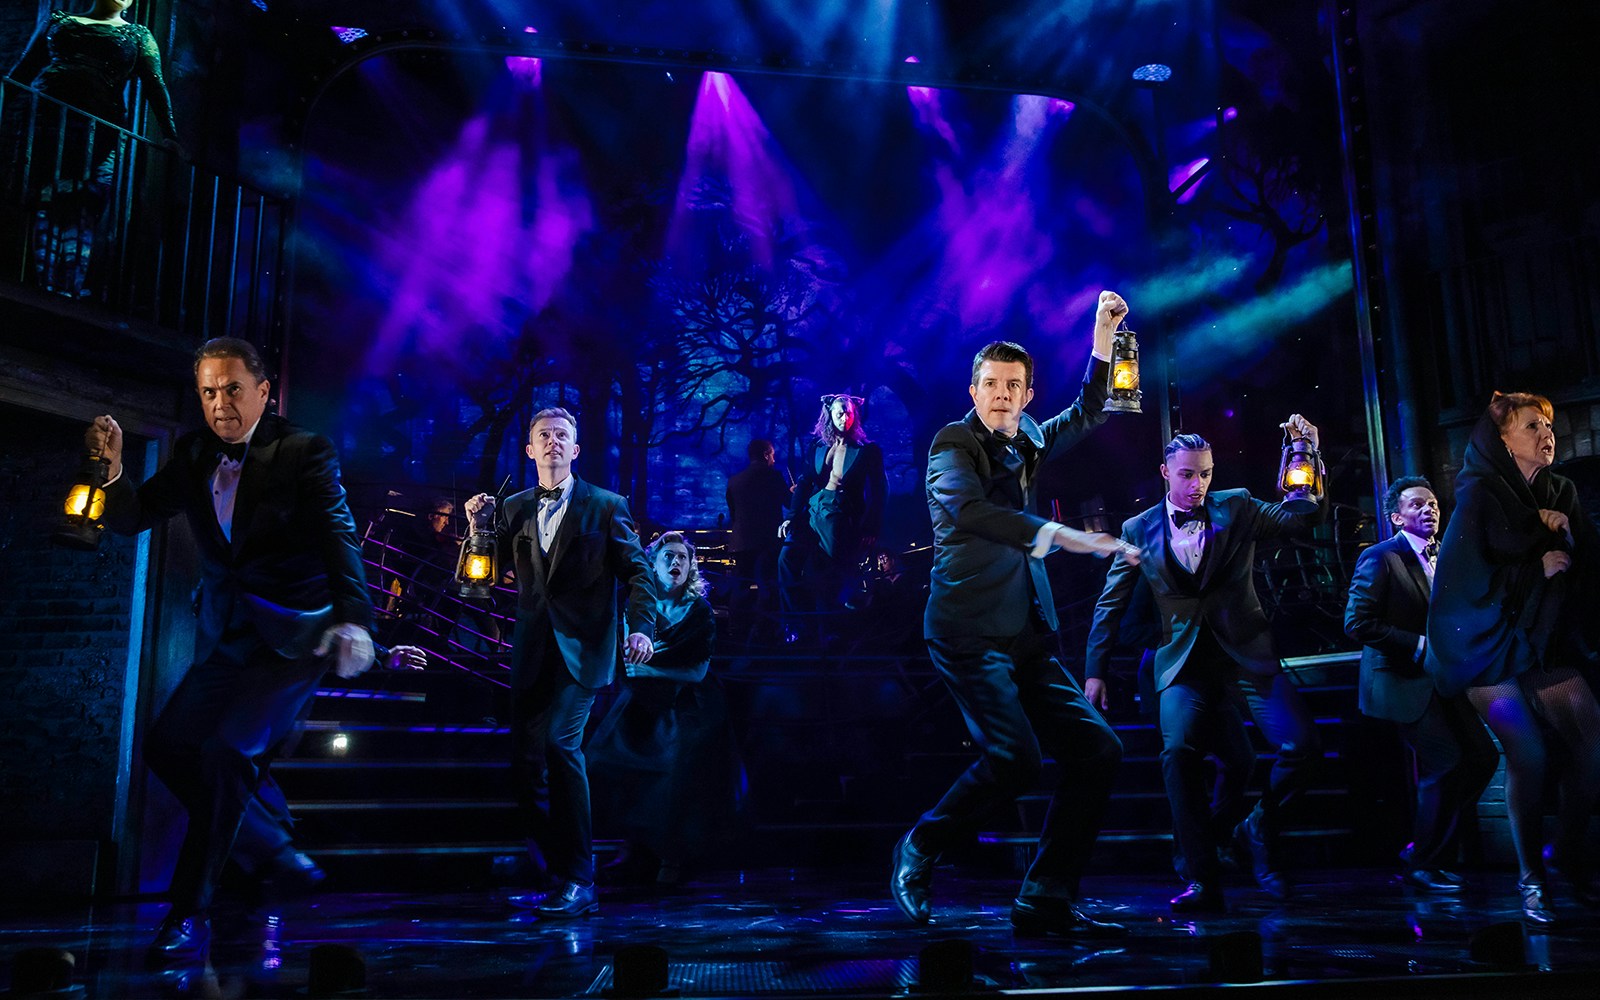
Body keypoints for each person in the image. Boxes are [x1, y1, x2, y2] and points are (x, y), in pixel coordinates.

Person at [86, 338, 374, 969]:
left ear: (263, 392)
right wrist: (111, 474)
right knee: (167, 747)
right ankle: (270, 845)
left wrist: (357, 621)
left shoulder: (303, 451)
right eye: (209, 392)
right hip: (229, 636)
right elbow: (134, 516)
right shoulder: (192, 455)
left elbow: (338, 536)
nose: (220, 404)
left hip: (299, 636)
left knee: (225, 756)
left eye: (233, 389)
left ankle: (188, 911)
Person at [890, 290, 1137, 937]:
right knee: (1015, 757)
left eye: (1014, 386)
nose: (1002, 395)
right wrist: (1065, 536)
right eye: (991, 385)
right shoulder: (951, 445)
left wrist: (1102, 339)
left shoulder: (1026, 436)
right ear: (974, 391)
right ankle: (920, 846)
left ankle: (1046, 896)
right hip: (967, 630)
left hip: (1026, 632)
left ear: (1027, 396)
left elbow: (1086, 412)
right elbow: (972, 513)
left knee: (1097, 751)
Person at [1084, 420, 1326, 912]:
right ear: (1165, 474)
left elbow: (1301, 521)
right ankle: (1201, 878)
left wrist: (1304, 451)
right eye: (1188, 475)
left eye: (1206, 475)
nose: (1198, 485)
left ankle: (1253, 829)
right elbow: (1111, 602)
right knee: (1178, 755)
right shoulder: (1138, 529)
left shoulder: (1236, 505)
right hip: (1183, 664)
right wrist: (1095, 670)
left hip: (1246, 655)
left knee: (1302, 746)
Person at [463, 407, 656, 919]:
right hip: (533, 652)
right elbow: (478, 580)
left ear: (575, 449)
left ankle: (580, 877)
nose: (552, 442)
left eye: (562, 436)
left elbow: (638, 574)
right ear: (528, 451)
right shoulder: (516, 507)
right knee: (525, 763)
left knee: (559, 745)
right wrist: (478, 528)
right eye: (543, 435)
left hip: (586, 651)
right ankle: (556, 872)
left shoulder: (607, 506)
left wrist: (640, 627)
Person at [1426, 392, 1600, 925]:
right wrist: (1535, 564)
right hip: (1480, 643)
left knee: (1591, 737)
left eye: (1548, 423)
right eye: (1532, 425)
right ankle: (1531, 881)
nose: (1546, 432)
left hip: (1537, 639)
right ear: (1503, 438)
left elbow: (1587, 559)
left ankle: (1566, 855)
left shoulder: (1560, 490)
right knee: (1528, 752)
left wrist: (1563, 542)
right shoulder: (1479, 493)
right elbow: (1464, 581)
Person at [1344, 476, 1496, 893]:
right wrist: (1418, 644)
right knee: (1445, 762)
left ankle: (1427, 846)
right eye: (1416, 505)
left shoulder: (1445, 556)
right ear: (1396, 517)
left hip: (1444, 680)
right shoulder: (1380, 557)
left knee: (1483, 758)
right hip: (1401, 681)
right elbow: (1357, 623)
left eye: (1432, 503)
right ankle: (1426, 863)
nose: (1429, 509)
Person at [589, 532, 742, 885]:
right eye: (668, 557)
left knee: (677, 767)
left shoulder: (699, 611)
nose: (676, 563)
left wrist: (649, 668)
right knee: (604, 758)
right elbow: (628, 659)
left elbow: (696, 670)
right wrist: (642, 670)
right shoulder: (638, 603)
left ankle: (671, 857)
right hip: (642, 699)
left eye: (682, 558)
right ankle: (632, 846)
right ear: (653, 564)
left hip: (689, 704)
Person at [7, 2, 179, 296]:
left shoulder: (138, 35)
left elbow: (155, 85)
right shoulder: (58, 20)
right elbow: (22, 70)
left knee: (83, 203)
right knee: (46, 202)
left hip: (99, 133)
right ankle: (42, 285)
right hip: (48, 124)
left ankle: (67, 289)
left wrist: (170, 134)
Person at [777, 393, 886, 640]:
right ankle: (794, 622)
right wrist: (791, 516)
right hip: (812, 510)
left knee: (828, 571)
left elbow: (880, 490)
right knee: (786, 558)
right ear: (829, 414)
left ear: (854, 415)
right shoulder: (817, 446)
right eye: (839, 412)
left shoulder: (867, 450)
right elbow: (804, 483)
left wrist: (871, 526)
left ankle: (828, 631)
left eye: (848, 412)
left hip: (840, 513)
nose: (843, 417)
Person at [724, 439, 791, 640]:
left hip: (741, 542)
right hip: (767, 542)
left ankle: (736, 630)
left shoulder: (734, 481)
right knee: (767, 587)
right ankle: (764, 632)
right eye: (772, 454)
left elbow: (733, 513)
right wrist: (794, 493)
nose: (773, 458)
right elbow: (788, 503)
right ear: (765, 454)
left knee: (740, 587)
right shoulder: (774, 477)